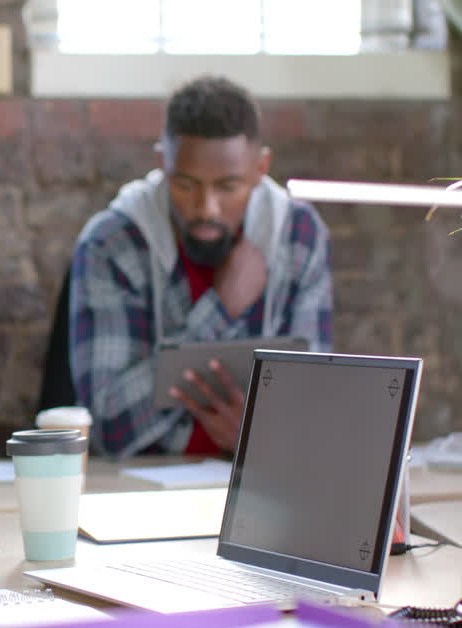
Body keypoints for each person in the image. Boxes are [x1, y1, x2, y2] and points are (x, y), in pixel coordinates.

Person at [68, 75, 333, 459]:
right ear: (162, 164)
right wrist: (221, 308)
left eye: (227, 187)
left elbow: (314, 410)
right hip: (141, 486)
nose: (206, 208)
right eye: (186, 185)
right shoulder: (112, 243)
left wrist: (258, 433)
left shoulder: (299, 236)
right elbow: (109, 426)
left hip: (264, 474)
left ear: (261, 168)